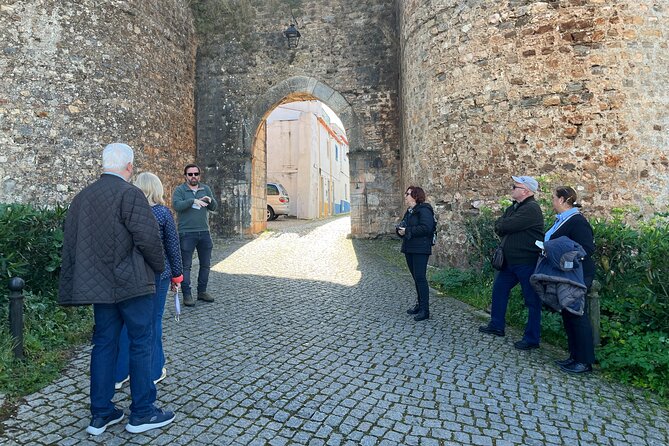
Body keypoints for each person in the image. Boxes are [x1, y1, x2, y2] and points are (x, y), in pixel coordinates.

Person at [58, 143, 176, 435]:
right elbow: (149, 240)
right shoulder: (130, 194)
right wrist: (158, 268)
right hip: (132, 285)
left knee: (104, 344)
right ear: (129, 167)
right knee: (141, 342)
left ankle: (100, 414)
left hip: (100, 287)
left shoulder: (82, 198)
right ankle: (143, 412)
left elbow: (72, 245)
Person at [115, 172, 184, 389]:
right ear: (157, 189)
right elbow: (173, 246)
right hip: (158, 274)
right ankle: (154, 370)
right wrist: (178, 275)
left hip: (131, 274)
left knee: (128, 322)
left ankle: (120, 373)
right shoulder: (162, 213)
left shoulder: (126, 213)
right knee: (153, 321)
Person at [479, 175, 545, 350]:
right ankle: (496, 325)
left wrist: (504, 224)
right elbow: (499, 225)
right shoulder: (514, 207)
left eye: (515, 186)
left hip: (526, 262)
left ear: (525, 191)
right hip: (510, 262)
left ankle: (532, 338)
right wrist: (503, 224)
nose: (512, 189)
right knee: (499, 290)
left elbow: (505, 226)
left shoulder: (531, 209)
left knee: (532, 300)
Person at [546, 186, 596, 374]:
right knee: (568, 314)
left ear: (562, 200)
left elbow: (587, 248)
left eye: (553, 198)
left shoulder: (577, 221)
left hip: (578, 274)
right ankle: (574, 356)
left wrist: (566, 259)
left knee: (576, 315)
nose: (552, 201)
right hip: (566, 274)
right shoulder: (562, 220)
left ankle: (584, 361)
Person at [172, 164, 218, 306]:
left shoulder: (205, 188)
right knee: (186, 266)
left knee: (205, 265)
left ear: (199, 175)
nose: (193, 177)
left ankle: (202, 292)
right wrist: (193, 200)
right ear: (185, 176)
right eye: (190, 174)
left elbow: (214, 207)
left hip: (204, 232)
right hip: (186, 233)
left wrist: (210, 201)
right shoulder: (180, 190)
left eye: (196, 174)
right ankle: (187, 295)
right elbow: (177, 206)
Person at [396, 186, 436, 322]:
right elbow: (405, 225)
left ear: (415, 195)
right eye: (406, 193)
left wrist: (407, 230)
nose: (405, 196)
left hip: (420, 249)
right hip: (410, 248)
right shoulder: (410, 211)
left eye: (408, 194)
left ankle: (425, 310)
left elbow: (426, 228)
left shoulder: (424, 210)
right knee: (415, 278)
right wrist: (400, 230)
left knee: (420, 278)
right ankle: (419, 305)